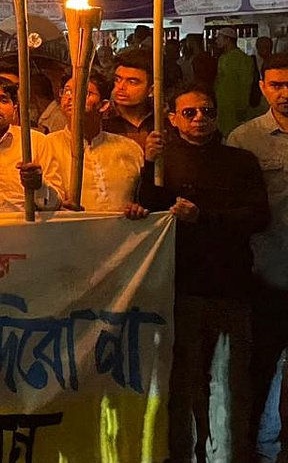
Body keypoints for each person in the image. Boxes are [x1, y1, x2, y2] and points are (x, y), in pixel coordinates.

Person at [134, 84, 269, 463]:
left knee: (231, 382)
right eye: (190, 113)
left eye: (207, 112)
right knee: (187, 381)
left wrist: (204, 217)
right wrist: (148, 164)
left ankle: (229, 452)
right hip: (182, 286)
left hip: (232, 285)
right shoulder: (162, 163)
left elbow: (259, 216)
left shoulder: (241, 161)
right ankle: (183, 454)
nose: (200, 120)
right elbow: (147, 213)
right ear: (173, 119)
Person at [226, 54, 288, 462]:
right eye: (277, 85)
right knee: (260, 365)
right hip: (268, 271)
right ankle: (251, 446)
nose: (285, 94)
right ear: (262, 87)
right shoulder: (244, 139)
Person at [0, 75, 63, 214]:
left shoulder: (36, 142)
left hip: (26, 230)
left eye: (3, 100)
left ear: (14, 110)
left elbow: (56, 204)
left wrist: (39, 185)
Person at [46, 71, 144, 211]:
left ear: (103, 105)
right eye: (67, 91)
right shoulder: (47, 146)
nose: (71, 97)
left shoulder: (129, 149)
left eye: (84, 93)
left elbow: (144, 200)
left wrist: (137, 209)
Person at [104, 48, 161, 153]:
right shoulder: (101, 120)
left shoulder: (160, 122)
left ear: (151, 90)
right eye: (118, 79)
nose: (121, 87)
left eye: (132, 82)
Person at [215, 26, 256, 136]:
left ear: (228, 39)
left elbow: (246, 84)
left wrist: (242, 106)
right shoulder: (222, 58)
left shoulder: (242, 59)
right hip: (223, 104)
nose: (216, 41)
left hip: (235, 106)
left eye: (219, 38)